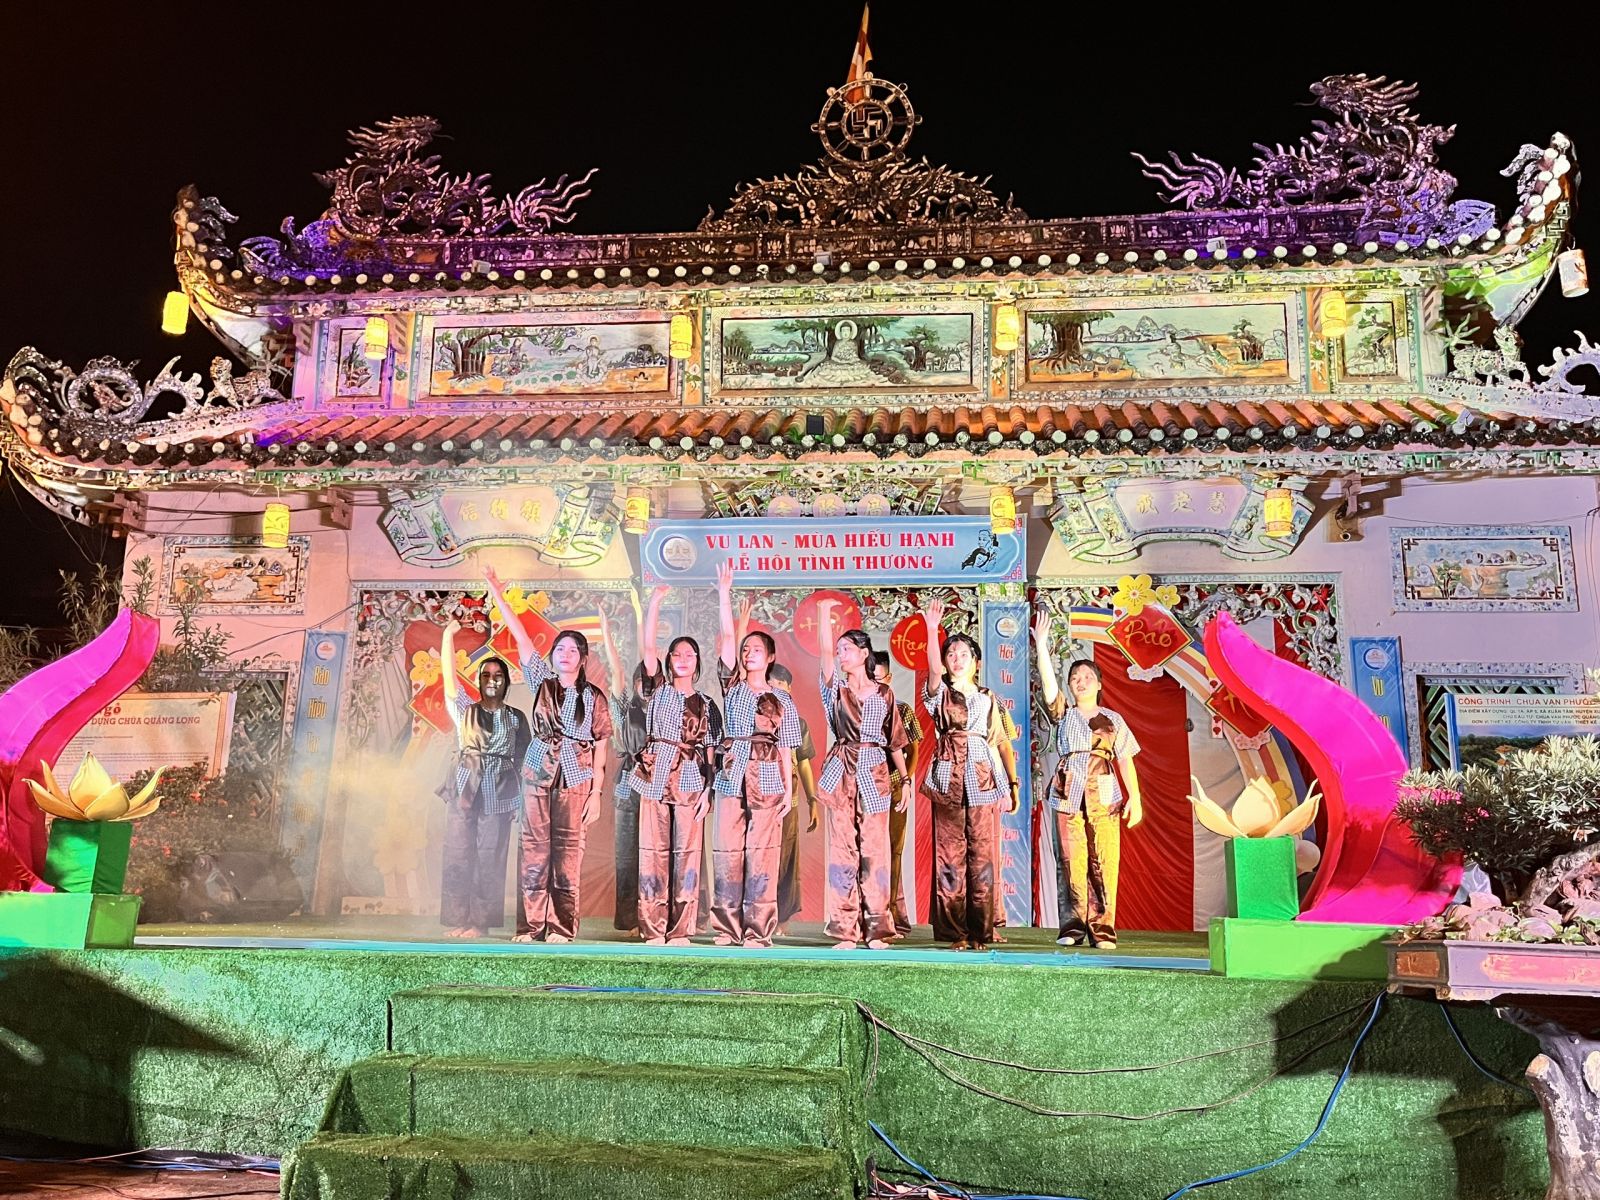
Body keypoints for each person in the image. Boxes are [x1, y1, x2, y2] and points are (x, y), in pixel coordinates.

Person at [483, 565, 613, 943]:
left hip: (577, 775)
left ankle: (561, 926)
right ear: (552, 656)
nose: (565, 654)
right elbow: (521, 637)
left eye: (573, 650)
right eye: (560, 649)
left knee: (568, 851)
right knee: (533, 848)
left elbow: (601, 746)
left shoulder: (594, 697)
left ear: (583, 658)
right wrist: (497, 592)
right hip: (538, 769)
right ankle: (531, 926)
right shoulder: (543, 682)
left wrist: (596, 795)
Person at [1031, 612, 1142, 949]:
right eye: (1075, 677)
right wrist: (1041, 645)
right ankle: (1073, 926)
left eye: (1087, 676)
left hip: (1104, 789)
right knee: (1070, 858)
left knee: (1104, 858)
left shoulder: (1113, 719)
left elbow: (1125, 758)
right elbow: (1049, 687)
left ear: (1099, 684)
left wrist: (1136, 799)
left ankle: (1103, 928)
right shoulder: (1064, 713)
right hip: (1067, 788)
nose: (1081, 681)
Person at [918, 599, 1019, 949]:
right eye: (951, 654)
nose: (957, 659)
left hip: (982, 775)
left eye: (964, 654)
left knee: (983, 853)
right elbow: (932, 673)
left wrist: (1008, 787)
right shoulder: (940, 695)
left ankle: (982, 929)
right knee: (949, 854)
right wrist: (933, 630)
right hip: (948, 775)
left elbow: (997, 744)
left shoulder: (989, 698)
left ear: (976, 662)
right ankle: (954, 931)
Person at [711, 563, 801, 947]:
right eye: (746, 649)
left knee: (763, 853)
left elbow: (788, 745)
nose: (749, 654)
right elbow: (727, 640)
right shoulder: (732, 686)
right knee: (727, 851)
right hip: (733, 769)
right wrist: (724, 595)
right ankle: (726, 927)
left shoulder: (782, 698)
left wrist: (788, 791)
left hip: (768, 774)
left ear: (770, 657)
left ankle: (758, 930)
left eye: (757, 650)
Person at [815, 599, 910, 950]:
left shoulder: (884, 693)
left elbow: (895, 741)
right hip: (842, 769)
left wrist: (905, 781)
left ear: (863, 652)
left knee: (875, 850)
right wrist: (824, 615)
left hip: (874, 769)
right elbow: (825, 656)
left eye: (847, 649)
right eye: (839, 649)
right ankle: (845, 929)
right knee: (843, 852)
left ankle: (878, 928)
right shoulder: (836, 691)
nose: (841, 654)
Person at [630, 585, 721, 945]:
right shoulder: (658, 690)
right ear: (669, 660)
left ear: (698, 662)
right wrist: (654, 602)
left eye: (689, 654)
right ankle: (653, 928)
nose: (683, 658)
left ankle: (680, 929)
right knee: (652, 853)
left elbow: (711, 751)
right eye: (677, 653)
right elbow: (648, 648)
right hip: (655, 772)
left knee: (687, 854)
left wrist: (708, 793)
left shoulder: (707, 704)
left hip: (690, 779)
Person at [436, 621, 531, 938]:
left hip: (499, 789)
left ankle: (480, 923)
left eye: (498, 675)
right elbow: (449, 679)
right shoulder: (465, 710)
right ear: (479, 681)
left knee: (490, 855)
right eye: (486, 675)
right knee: (458, 851)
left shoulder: (516, 718)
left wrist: (520, 801)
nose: (492, 680)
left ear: (506, 681)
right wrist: (448, 637)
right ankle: (458, 918)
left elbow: (524, 760)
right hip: (465, 784)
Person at [599, 598, 647, 935]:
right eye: (640, 680)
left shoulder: (665, 704)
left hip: (659, 781)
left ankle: (657, 916)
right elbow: (616, 670)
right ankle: (630, 919)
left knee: (657, 852)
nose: (645, 685)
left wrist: (643, 614)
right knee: (627, 853)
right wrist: (605, 627)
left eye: (651, 680)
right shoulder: (625, 707)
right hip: (629, 782)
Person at [872, 650, 922, 938]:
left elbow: (913, 750)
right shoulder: (857, 706)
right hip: (866, 787)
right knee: (865, 851)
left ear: (889, 679)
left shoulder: (902, 710)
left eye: (879, 679)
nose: (874, 685)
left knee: (893, 850)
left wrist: (906, 783)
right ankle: (863, 916)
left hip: (893, 786)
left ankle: (890, 916)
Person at [767, 662, 819, 932]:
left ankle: (782, 919)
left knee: (786, 859)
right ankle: (757, 915)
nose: (775, 689)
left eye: (780, 685)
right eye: (771, 684)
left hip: (789, 802)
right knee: (761, 857)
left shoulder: (797, 723)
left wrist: (812, 801)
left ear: (789, 689)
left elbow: (804, 763)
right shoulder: (756, 718)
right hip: (760, 799)